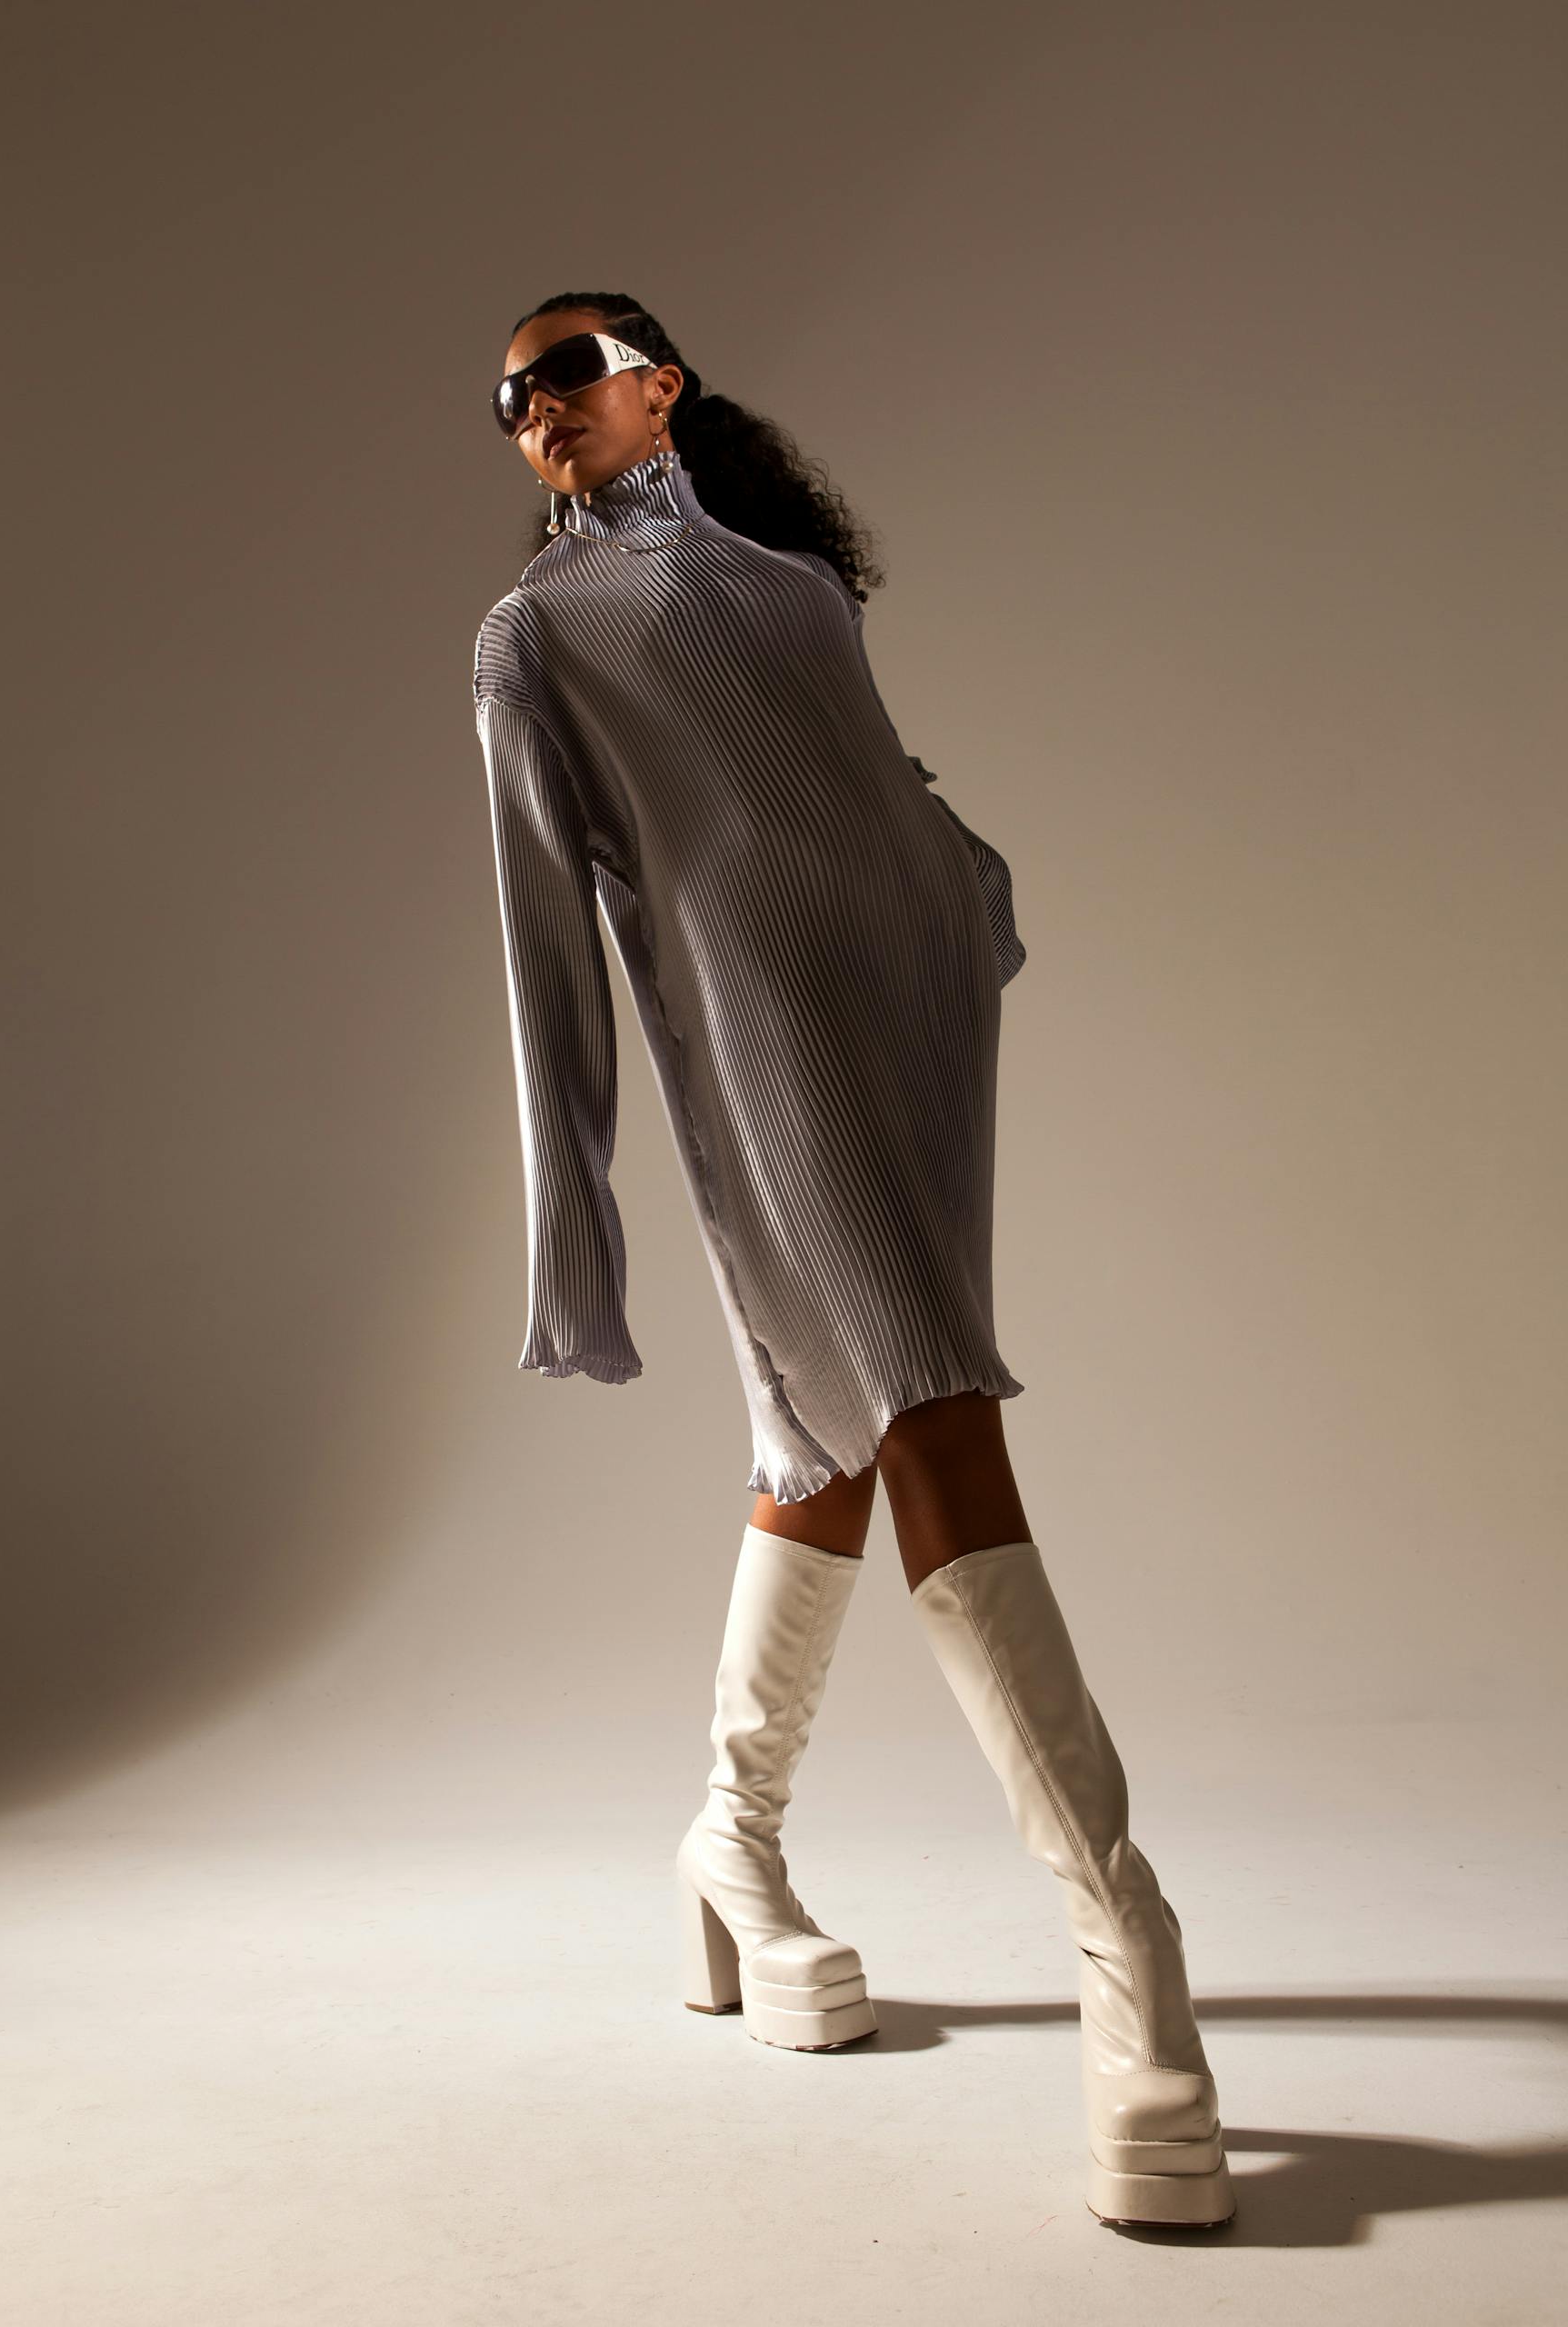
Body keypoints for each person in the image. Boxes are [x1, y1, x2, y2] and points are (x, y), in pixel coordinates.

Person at [472, 293, 1234, 2232]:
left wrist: (957, 882)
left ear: (660, 382)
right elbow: (550, 931)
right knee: (932, 1405)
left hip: (912, 1005)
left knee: (827, 1438)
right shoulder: (534, 636)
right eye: (506, 397)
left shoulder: (795, 581)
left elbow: (852, 770)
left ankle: (730, 1848)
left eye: (566, 370)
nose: (533, 405)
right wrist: (579, 1213)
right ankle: (1131, 1954)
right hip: (762, 1045)